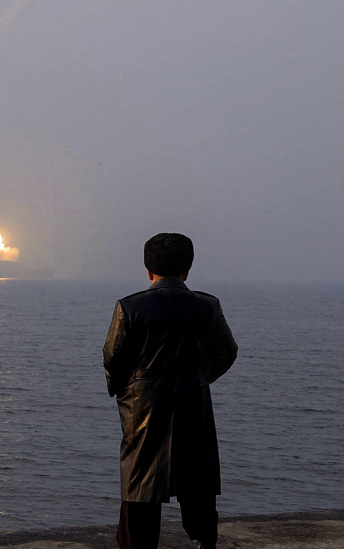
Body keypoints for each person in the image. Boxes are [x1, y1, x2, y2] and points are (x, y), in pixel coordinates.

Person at [103, 233, 238, 549]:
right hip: (193, 398)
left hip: (144, 406)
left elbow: (113, 357)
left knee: (140, 483)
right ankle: (203, 541)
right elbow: (227, 351)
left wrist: (127, 390)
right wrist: (201, 378)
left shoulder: (129, 307)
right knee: (198, 479)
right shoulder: (208, 305)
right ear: (188, 269)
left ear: (148, 270)